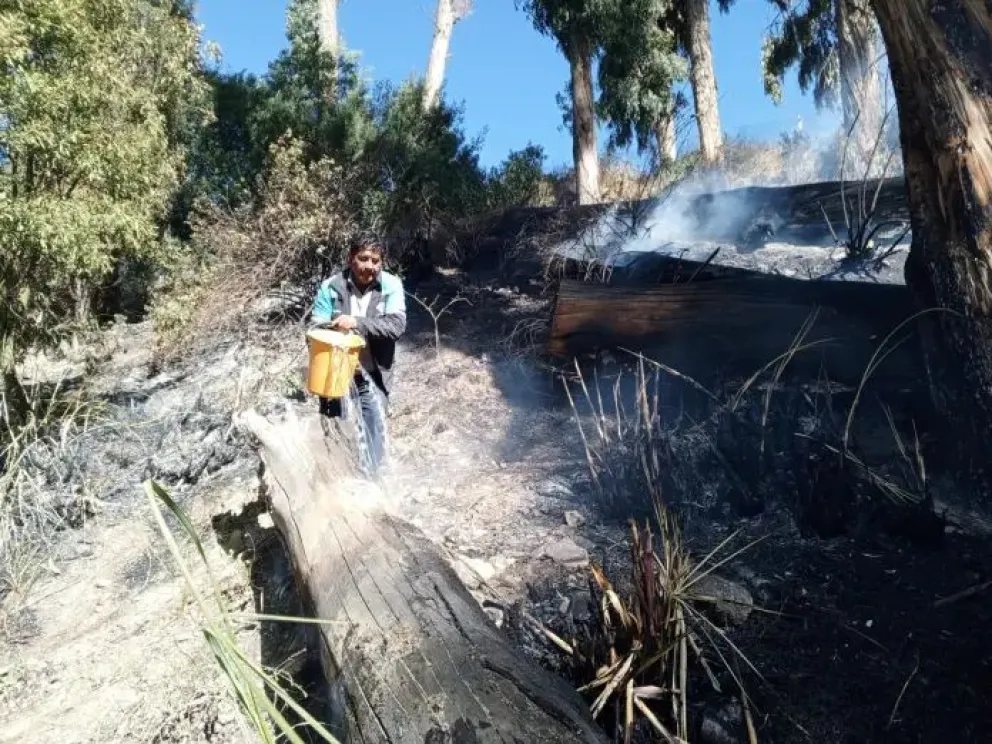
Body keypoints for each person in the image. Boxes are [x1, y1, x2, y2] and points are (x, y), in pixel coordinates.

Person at [309, 233, 406, 475]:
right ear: (351, 258)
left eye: (376, 260)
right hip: (335, 373)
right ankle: (341, 477)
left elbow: (396, 326)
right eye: (364, 258)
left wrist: (356, 323)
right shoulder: (330, 287)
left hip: (374, 372)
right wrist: (334, 326)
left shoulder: (391, 285)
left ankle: (373, 480)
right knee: (338, 426)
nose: (370, 266)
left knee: (375, 427)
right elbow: (314, 329)